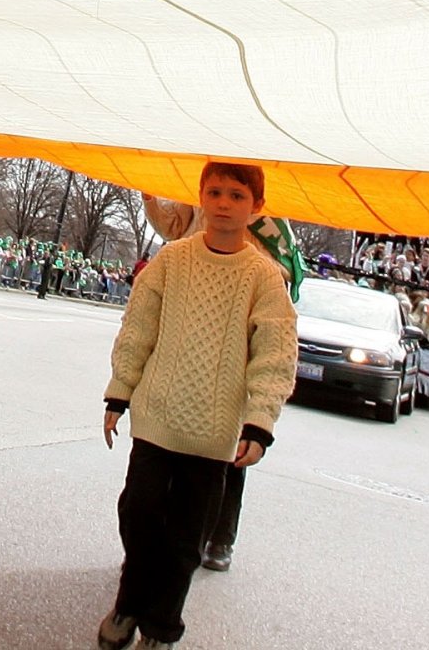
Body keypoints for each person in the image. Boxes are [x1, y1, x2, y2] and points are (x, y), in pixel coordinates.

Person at [96, 163, 295, 650]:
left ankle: (161, 628)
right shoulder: (171, 261)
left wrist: (260, 423)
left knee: (186, 540)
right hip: (156, 419)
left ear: (257, 207)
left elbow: (275, 354)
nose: (224, 203)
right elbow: (138, 327)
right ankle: (128, 602)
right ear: (201, 197)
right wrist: (120, 391)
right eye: (215, 192)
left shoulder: (266, 278)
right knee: (137, 513)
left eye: (236, 195)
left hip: (214, 434)